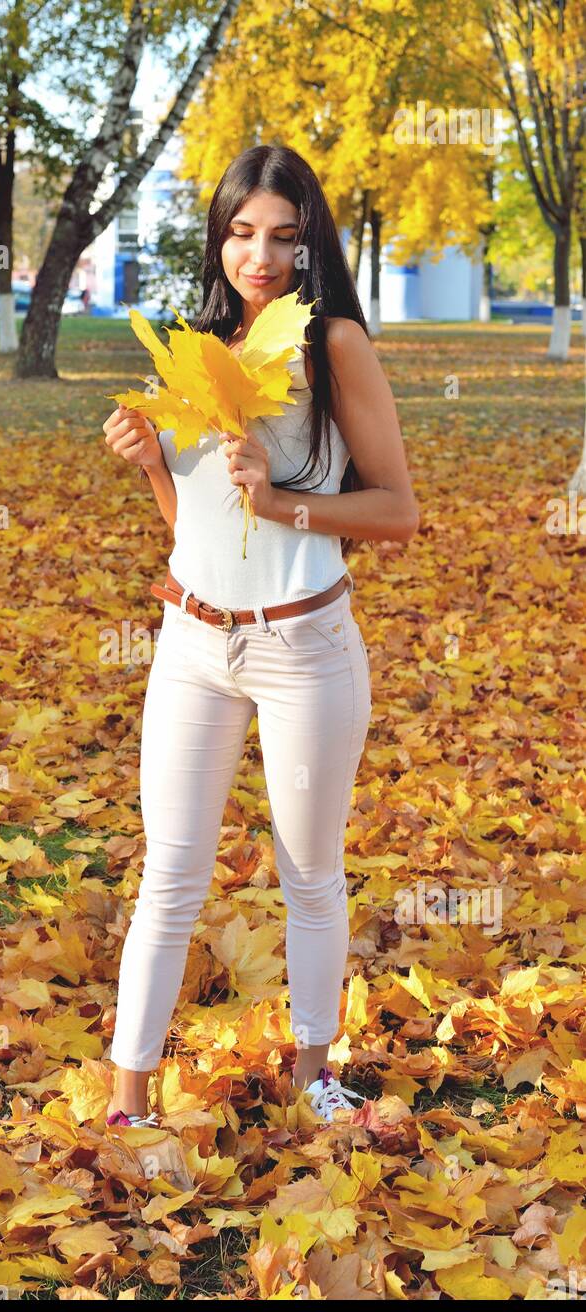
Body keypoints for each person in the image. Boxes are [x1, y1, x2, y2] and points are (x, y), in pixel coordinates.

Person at [101, 144, 419, 1129]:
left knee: (310, 872)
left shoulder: (335, 347)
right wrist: (154, 462)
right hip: (193, 643)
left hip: (304, 646)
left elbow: (399, 512)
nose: (261, 254)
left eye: (284, 235)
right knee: (171, 869)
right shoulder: (198, 351)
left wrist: (283, 502)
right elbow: (195, 527)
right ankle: (129, 1105)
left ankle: (315, 1074)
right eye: (242, 232)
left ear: (310, 239)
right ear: (220, 237)